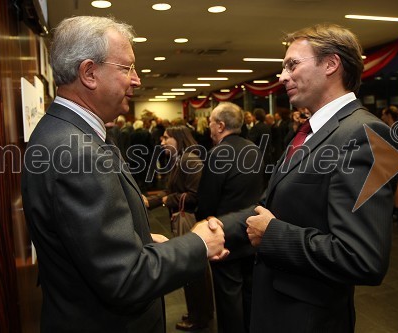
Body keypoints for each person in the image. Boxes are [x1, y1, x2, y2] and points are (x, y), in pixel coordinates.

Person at [21, 16, 228, 333]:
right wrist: (199, 243)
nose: (137, 80)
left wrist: (143, 240)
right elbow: (126, 278)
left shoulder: (65, 132)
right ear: (89, 73)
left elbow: (89, 242)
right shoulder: (78, 152)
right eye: (127, 68)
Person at [219, 23, 395, 332]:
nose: (283, 76)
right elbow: (268, 207)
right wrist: (214, 230)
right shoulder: (309, 132)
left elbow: (363, 258)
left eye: (292, 64)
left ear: (330, 64)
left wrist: (273, 235)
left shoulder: (368, 134)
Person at [197, 102, 265, 333]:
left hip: (224, 235)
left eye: (210, 124)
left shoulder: (218, 154)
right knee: (251, 294)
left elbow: (206, 201)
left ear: (220, 125)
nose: (209, 129)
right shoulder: (253, 148)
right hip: (253, 231)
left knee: (228, 300)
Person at [144, 126, 215, 331]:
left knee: (192, 271)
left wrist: (166, 199)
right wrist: (153, 201)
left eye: (166, 138)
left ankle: (199, 316)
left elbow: (193, 195)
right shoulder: (180, 160)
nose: (162, 141)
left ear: (178, 139)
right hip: (183, 219)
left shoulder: (189, 160)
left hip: (190, 221)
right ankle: (197, 312)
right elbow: (172, 190)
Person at [381, 105, 398, 222]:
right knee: (394, 185)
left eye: (383, 114)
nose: (382, 117)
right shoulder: (390, 128)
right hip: (391, 161)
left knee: (397, 185)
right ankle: (393, 209)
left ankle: (397, 210)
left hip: (396, 161)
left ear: (388, 116)